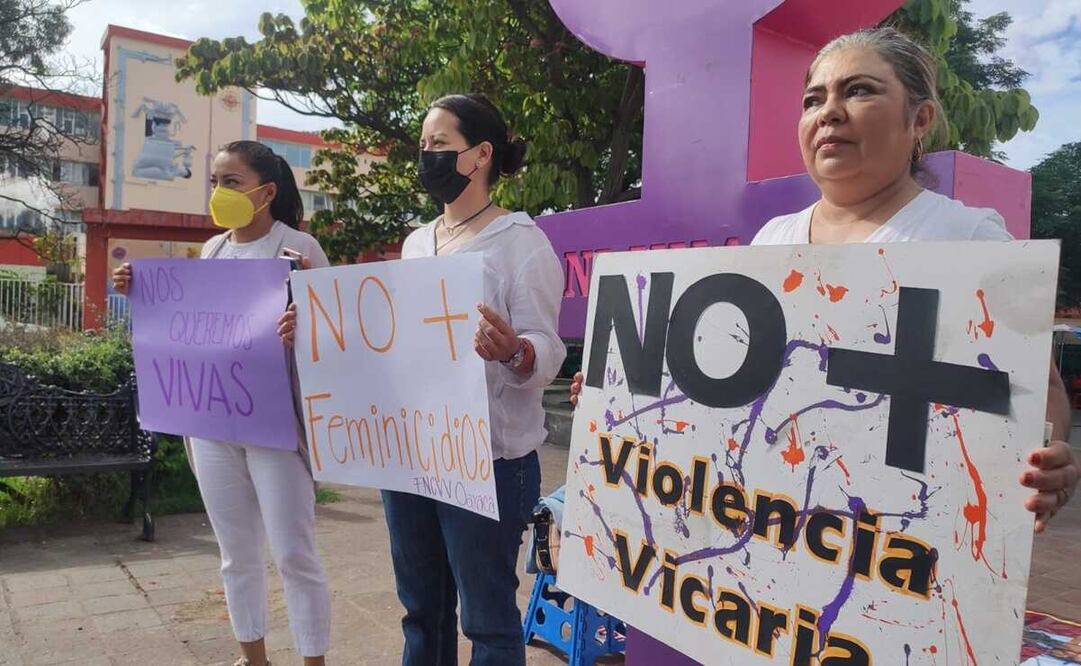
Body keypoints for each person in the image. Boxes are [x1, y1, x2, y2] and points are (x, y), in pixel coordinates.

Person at [570, 27, 1078, 531]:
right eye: (813, 100)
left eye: (859, 90)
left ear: (920, 118)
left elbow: (1038, 389)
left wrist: (1049, 455)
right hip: (774, 526)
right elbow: (722, 378)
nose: (828, 112)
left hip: (894, 540)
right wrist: (615, 391)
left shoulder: (968, 237)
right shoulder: (773, 238)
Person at [287, 93, 564, 666]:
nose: (426, 154)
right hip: (412, 456)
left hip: (488, 461)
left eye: (439, 143)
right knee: (421, 609)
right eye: (422, 143)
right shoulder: (416, 243)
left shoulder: (521, 243)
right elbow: (391, 342)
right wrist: (319, 330)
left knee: (487, 620)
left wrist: (514, 351)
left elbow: (547, 348)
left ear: (481, 155)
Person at [113, 141, 332, 666]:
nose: (218, 192)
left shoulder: (298, 249)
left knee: (294, 554)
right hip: (211, 424)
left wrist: (306, 324)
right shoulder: (212, 250)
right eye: (214, 181)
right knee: (235, 554)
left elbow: (334, 334)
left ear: (267, 192)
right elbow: (190, 324)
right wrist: (137, 289)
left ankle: (313, 660)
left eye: (231, 182)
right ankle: (253, 657)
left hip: (278, 428)